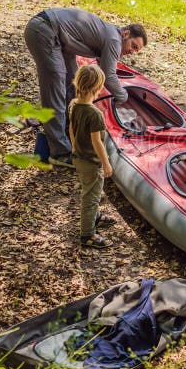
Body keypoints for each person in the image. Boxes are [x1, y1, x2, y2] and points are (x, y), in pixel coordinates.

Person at [24, 8, 147, 167]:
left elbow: (102, 71)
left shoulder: (110, 34)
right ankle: (59, 153)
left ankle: (65, 133)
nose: (132, 51)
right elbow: (109, 77)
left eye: (136, 50)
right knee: (55, 92)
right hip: (45, 31)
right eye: (134, 46)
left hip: (57, 37)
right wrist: (124, 97)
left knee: (73, 84)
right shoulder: (115, 40)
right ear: (126, 34)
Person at [69, 64, 116, 248]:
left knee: (90, 191)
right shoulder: (95, 114)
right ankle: (87, 234)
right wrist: (106, 164)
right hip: (91, 163)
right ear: (97, 88)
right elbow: (97, 142)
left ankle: (95, 217)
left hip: (79, 158)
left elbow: (71, 129)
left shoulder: (73, 105)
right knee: (91, 198)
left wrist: (74, 148)